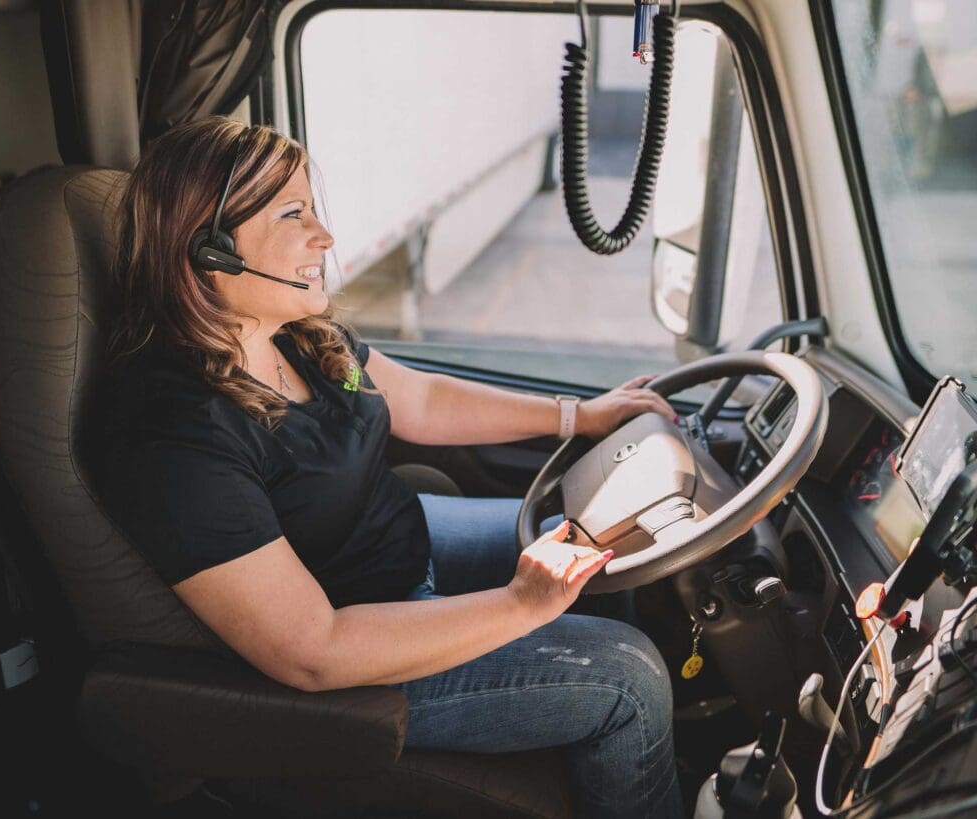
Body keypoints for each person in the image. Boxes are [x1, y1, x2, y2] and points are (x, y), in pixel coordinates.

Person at [91, 116, 683, 818]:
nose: (326, 237)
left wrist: (579, 416)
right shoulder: (176, 430)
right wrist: (520, 604)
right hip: (357, 643)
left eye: (314, 207)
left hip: (404, 544)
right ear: (210, 249)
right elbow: (314, 650)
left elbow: (422, 400)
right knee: (629, 676)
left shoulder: (298, 334)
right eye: (293, 213)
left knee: (606, 543)